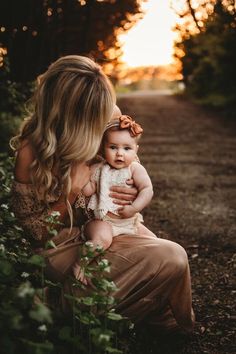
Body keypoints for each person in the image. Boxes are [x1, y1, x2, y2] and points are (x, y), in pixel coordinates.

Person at [10, 55, 195, 334]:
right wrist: (70, 192)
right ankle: (63, 310)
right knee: (168, 257)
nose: (104, 120)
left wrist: (131, 184)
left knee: (166, 256)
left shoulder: (108, 115)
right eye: (93, 116)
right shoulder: (32, 150)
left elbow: (126, 158)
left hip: (108, 228)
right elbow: (37, 234)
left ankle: (85, 309)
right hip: (62, 245)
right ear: (70, 114)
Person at [72, 114, 154, 281]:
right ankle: (81, 264)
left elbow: (147, 190)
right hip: (104, 221)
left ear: (136, 150)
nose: (119, 154)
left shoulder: (135, 169)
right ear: (103, 149)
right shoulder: (98, 169)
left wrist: (134, 208)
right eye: (113, 147)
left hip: (130, 223)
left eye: (126, 148)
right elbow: (88, 191)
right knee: (101, 240)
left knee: (153, 242)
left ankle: (148, 278)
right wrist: (81, 179)